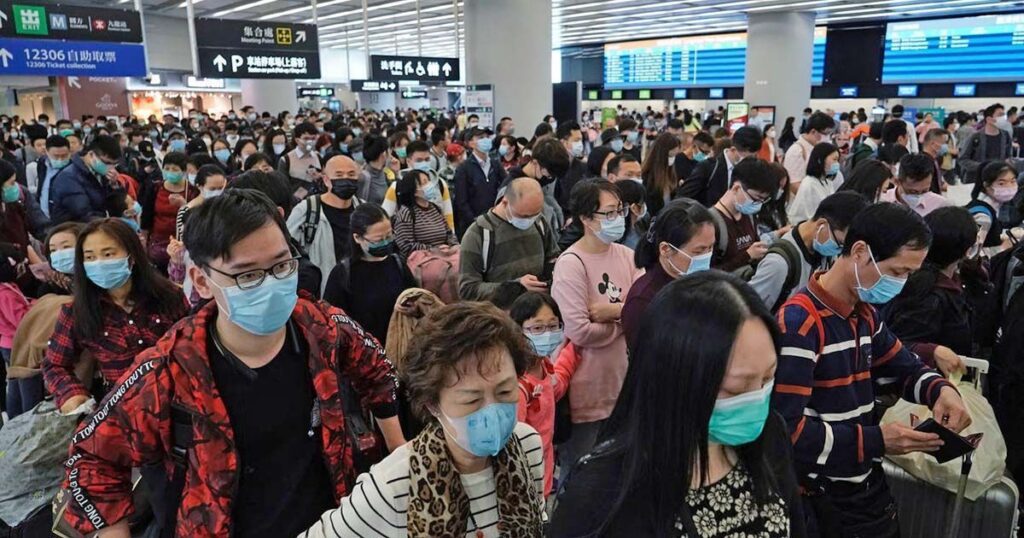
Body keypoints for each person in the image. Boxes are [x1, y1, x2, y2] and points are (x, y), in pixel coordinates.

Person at [57, 190, 404, 537]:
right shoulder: (167, 371)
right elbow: (90, 458)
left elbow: (379, 371)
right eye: (247, 276)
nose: (271, 284)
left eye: (282, 266)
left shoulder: (323, 329)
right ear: (203, 282)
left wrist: (396, 451)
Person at [551, 272, 806, 537]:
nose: (757, 399)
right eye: (736, 388)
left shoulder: (770, 436)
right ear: (674, 379)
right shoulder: (603, 494)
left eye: (768, 378)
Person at [773, 202, 971, 537]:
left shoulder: (863, 313)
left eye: (910, 273)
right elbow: (786, 432)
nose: (902, 283)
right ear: (860, 252)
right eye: (897, 272)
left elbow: (902, 365)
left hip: (862, 486)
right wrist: (877, 440)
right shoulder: (800, 324)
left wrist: (940, 390)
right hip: (821, 498)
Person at [301, 302, 544, 538]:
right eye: (471, 401)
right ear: (432, 404)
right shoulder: (393, 485)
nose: (493, 410)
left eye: (505, 392)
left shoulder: (527, 445)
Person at [41, 219, 188, 413]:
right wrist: (71, 394)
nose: (99, 263)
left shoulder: (169, 297)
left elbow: (197, 344)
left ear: (132, 256)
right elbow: (54, 364)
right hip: (123, 410)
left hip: (179, 402)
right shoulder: (77, 312)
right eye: (90, 257)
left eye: (108, 254)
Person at [551, 179, 641, 475]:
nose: (620, 219)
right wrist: (623, 323)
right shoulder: (571, 263)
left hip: (623, 382)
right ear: (587, 219)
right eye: (610, 213)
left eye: (621, 210)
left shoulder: (628, 256)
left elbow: (644, 309)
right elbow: (579, 331)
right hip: (587, 388)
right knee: (581, 473)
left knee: (618, 471)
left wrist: (613, 311)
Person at [886, 206, 982, 361]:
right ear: (966, 250)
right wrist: (931, 351)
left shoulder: (956, 280)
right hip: (928, 377)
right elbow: (897, 345)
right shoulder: (929, 294)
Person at [508, 291, 581, 497]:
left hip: (544, 472)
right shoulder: (518, 385)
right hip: (524, 480)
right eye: (537, 328)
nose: (547, 334)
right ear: (517, 330)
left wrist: (573, 351)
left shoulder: (544, 366)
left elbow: (556, 386)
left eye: (553, 326)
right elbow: (514, 442)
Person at [750, 192, 868, 312]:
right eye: (840, 244)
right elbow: (749, 314)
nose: (840, 251)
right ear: (822, 225)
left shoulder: (825, 254)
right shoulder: (779, 263)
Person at [621, 198, 714, 347]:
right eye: (699, 251)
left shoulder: (706, 282)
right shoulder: (643, 300)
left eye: (710, 248)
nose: (706, 256)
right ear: (665, 249)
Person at [324, 203, 416, 347]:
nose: (386, 242)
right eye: (379, 240)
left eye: (389, 236)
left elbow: (415, 298)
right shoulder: (343, 274)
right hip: (362, 355)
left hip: (399, 347)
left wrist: (413, 309)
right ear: (358, 238)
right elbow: (332, 322)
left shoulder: (397, 264)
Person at [459, 177, 559, 301]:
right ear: (505, 203)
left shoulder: (539, 223)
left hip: (538, 307)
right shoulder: (479, 234)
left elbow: (552, 258)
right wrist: (515, 287)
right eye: (524, 216)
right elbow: (468, 289)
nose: (529, 220)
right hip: (499, 313)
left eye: (535, 214)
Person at [286, 154, 363, 293]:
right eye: (339, 175)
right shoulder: (306, 210)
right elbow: (287, 249)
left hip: (359, 289)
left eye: (351, 174)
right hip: (323, 292)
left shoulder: (363, 209)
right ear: (326, 180)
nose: (346, 179)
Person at [710, 158, 777, 272]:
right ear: (736, 188)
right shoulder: (711, 222)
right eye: (756, 198)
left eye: (763, 200)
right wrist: (747, 256)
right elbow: (705, 274)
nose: (758, 205)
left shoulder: (749, 215)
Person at [679, 126, 762, 208]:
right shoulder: (708, 167)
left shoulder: (746, 172)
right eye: (749, 156)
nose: (750, 161)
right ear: (734, 149)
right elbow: (682, 198)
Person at [49, 134, 123, 225]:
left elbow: (116, 206)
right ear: (91, 154)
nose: (110, 167)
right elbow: (83, 213)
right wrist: (110, 225)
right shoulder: (69, 177)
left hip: (97, 227)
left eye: (114, 164)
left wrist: (114, 186)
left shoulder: (101, 174)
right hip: (74, 231)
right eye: (106, 162)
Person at [382, 140, 455, 230]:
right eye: (419, 160)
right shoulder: (397, 187)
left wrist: (452, 239)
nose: (424, 163)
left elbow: (448, 215)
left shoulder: (440, 183)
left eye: (427, 160)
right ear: (408, 161)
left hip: (439, 239)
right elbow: (385, 217)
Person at [140, 150, 192, 271]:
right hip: (158, 244)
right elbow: (146, 216)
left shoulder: (192, 191)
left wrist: (184, 206)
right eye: (167, 168)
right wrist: (144, 239)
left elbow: (196, 218)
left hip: (181, 244)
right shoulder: (155, 188)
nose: (170, 172)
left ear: (184, 171)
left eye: (175, 169)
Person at [393, 168, 459, 257]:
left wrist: (453, 246)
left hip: (446, 252)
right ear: (414, 191)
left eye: (429, 181)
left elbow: (449, 233)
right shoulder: (406, 213)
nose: (430, 185)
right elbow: (405, 245)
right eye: (424, 183)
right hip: (424, 257)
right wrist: (433, 250)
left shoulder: (435, 208)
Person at [454, 127, 507, 236]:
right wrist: (474, 221)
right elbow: (461, 200)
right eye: (480, 137)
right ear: (470, 143)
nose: (486, 140)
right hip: (473, 224)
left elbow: (506, 185)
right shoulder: (464, 168)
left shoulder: (496, 164)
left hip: (496, 220)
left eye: (487, 137)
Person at [0, 243, 32, 417]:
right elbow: (21, 320)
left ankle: (15, 418)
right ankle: (26, 418)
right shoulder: (5, 293)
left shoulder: (8, 287)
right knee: (26, 384)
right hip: (16, 343)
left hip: (9, 342)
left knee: (14, 382)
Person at [966, 161, 1017, 254]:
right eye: (1001, 183)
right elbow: (971, 254)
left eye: (1013, 181)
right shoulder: (982, 216)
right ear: (986, 185)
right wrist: (1002, 249)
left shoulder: (991, 207)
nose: (1009, 187)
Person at [881, 153, 950, 217]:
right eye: (912, 192)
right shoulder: (882, 202)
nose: (918, 196)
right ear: (898, 182)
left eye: (924, 191)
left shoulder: (940, 206)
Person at [787, 142, 840, 223]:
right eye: (834, 159)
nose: (837, 164)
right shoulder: (809, 183)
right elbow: (808, 216)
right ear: (821, 160)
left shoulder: (827, 182)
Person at [959, 103, 1012, 183]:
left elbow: (1008, 157)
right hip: (976, 180)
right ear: (989, 119)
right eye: (1000, 115)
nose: (1003, 118)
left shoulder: (1005, 136)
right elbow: (963, 159)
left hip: (998, 180)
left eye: (1004, 115)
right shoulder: (975, 137)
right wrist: (982, 166)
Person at [783, 112, 834, 187]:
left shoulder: (817, 148)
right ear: (813, 131)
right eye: (826, 134)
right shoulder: (797, 151)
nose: (827, 137)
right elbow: (793, 183)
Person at [28, 134, 71, 217]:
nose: (60, 159)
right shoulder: (42, 163)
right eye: (56, 156)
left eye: (64, 156)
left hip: (63, 219)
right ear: (47, 152)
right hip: (43, 215)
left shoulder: (73, 169)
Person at [640, 132, 682, 217]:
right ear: (661, 155)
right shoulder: (648, 177)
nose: (672, 159)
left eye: (674, 156)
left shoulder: (672, 173)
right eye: (670, 156)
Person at [554, 121, 589, 213]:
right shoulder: (553, 169)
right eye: (576, 140)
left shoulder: (583, 167)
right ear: (563, 142)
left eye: (581, 140)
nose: (580, 144)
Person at [359, 134, 395, 205]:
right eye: (389, 152)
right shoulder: (363, 178)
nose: (391, 156)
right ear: (384, 154)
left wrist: (395, 172)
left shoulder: (385, 172)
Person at [920, 127, 950, 194]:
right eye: (943, 143)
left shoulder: (936, 160)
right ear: (932, 144)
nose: (945, 146)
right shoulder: (922, 162)